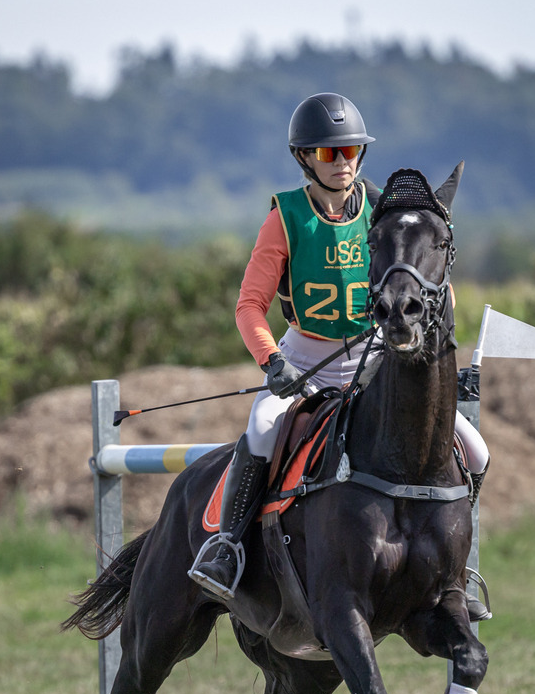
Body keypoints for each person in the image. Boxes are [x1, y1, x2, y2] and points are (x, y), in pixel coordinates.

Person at [190, 92, 490, 619]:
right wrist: (272, 363)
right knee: (261, 431)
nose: (344, 162)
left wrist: (445, 361)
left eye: (352, 150)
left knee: (476, 451)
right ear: (305, 157)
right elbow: (249, 307)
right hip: (304, 361)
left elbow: (432, 286)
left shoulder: (382, 209)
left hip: (377, 360)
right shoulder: (284, 217)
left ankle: (455, 569)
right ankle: (227, 549)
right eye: (331, 154)